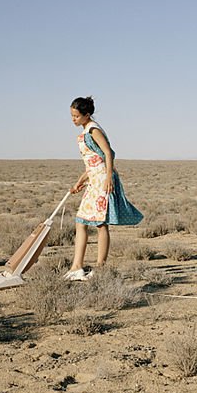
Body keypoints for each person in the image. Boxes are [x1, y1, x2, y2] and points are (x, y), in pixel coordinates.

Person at [65, 96, 143, 280]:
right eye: (71, 116)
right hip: (94, 179)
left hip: (102, 181)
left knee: (100, 223)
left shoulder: (93, 130)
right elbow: (93, 162)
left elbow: (108, 153)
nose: (73, 119)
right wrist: (80, 181)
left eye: (76, 116)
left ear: (87, 115)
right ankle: (77, 266)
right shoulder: (85, 130)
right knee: (81, 221)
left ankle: (100, 268)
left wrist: (108, 178)